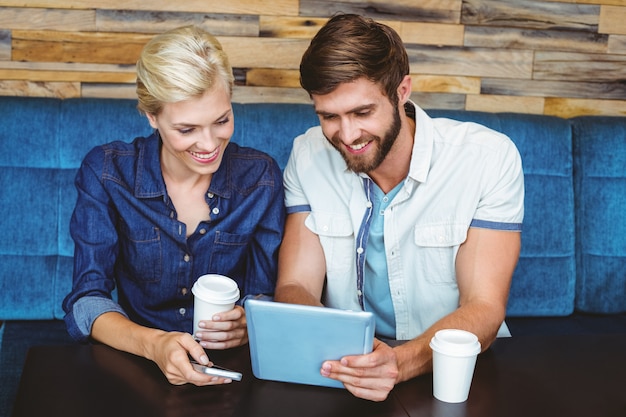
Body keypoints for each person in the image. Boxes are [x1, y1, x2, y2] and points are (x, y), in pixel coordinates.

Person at [275, 14, 524, 401]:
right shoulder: (306, 154)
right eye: (329, 116)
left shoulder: (488, 158)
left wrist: (399, 361)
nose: (348, 135)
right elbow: (296, 285)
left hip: (454, 373)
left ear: (402, 91)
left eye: (362, 112)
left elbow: (485, 306)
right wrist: (348, 356)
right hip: (348, 369)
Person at [63, 25, 285, 386]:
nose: (210, 143)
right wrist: (155, 345)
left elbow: (267, 293)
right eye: (187, 129)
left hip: (230, 369)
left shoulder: (261, 178)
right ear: (152, 116)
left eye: (222, 120)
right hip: (136, 362)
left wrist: (249, 320)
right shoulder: (107, 172)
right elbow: (87, 300)